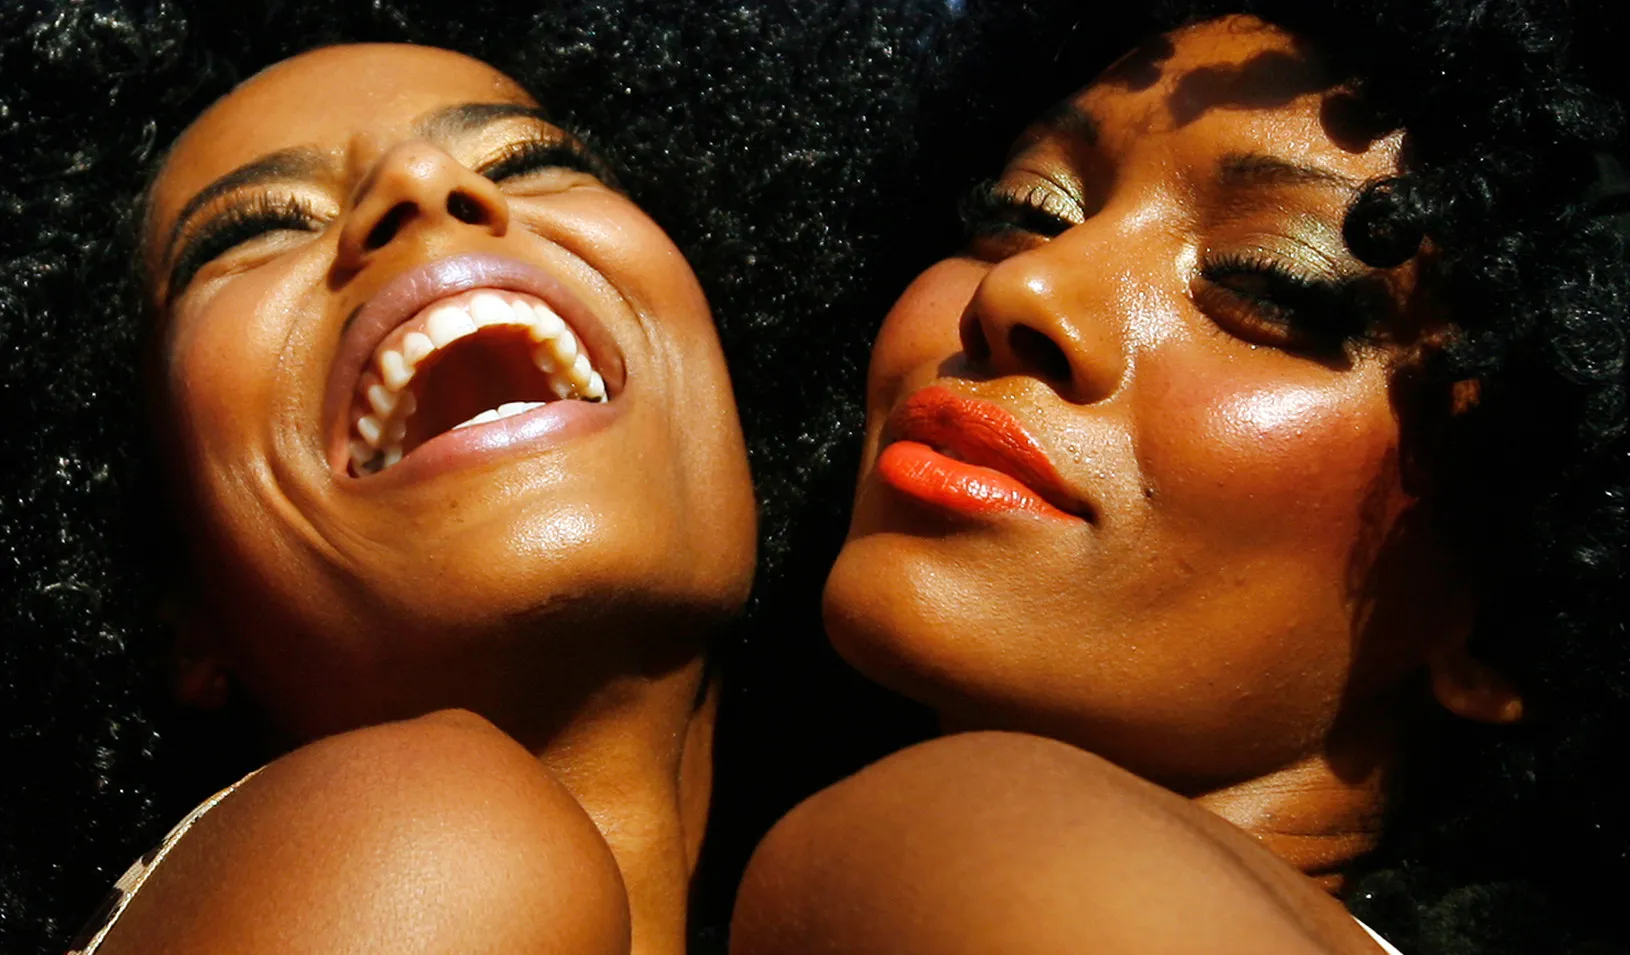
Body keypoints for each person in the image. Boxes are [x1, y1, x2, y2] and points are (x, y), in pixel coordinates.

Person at [0, 1, 968, 952]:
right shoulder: (421, 831)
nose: (419, 182)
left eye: (529, 162)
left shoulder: (910, 861)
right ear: (170, 600)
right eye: (248, 233)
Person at [731, 3, 1630, 954]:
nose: (1023, 289)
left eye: (1267, 281)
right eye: (1025, 211)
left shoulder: (962, 849)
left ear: (1501, 616)